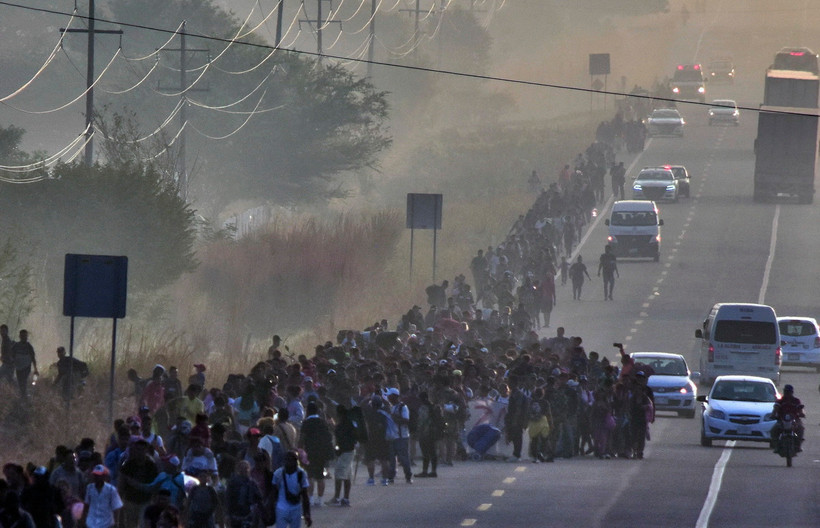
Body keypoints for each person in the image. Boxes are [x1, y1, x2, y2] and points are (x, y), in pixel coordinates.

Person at [298, 401, 334, 506]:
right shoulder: (322, 422)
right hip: (322, 452)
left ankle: (310, 498)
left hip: (310, 452)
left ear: (307, 411)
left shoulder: (306, 423)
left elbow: (302, 438)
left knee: (310, 476)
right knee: (320, 476)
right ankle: (321, 499)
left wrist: (299, 449)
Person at [271, 450, 312, 528]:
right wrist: (272, 509)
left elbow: (305, 495)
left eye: (291, 460)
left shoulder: (301, 474)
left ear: (296, 462)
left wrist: (307, 513)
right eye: (287, 460)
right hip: (281, 508)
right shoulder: (278, 474)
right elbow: (273, 493)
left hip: (295, 509)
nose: (289, 463)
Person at [328, 404, 356, 506]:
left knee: (339, 474)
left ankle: (337, 497)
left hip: (344, 451)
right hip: (350, 450)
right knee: (347, 475)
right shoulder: (350, 422)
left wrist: (333, 427)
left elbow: (339, 435)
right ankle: (345, 498)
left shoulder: (343, 424)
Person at [771, 384, 805, 451]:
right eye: (786, 392)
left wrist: (802, 414)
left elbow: (800, 409)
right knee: (774, 430)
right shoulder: (780, 401)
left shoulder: (796, 400)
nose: (787, 394)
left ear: (792, 392)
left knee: (801, 428)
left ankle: (798, 445)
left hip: (794, 420)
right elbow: (776, 409)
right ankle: (776, 446)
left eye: (789, 392)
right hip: (781, 420)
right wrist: (773, 415)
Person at [11, 329, 38, 397]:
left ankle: (24, 395)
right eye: (22, 336)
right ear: (20, 336)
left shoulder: (29, 346)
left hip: (26, 367)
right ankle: (23, 395)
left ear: (27, 337)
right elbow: (12, 355)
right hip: (18, 367)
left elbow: (33, 358)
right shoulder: (16, 345)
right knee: (20, 382)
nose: (24, 338)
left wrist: (35, 369)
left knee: (24, 381)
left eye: (25, 336)